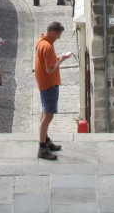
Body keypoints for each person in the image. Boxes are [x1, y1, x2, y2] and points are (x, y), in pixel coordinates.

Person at [34, 21, 72, 160]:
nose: (58, 38)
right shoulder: (48, 47)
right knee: (48, 115)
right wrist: (61, 59)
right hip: (49, 84)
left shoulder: (41, 41)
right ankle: (42, 147)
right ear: (53, 33)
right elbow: (50, 70)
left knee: (45, 112)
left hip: (43, 82)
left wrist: (55, 59)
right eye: (58, 36)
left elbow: (46, 63)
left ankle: (46, 139)